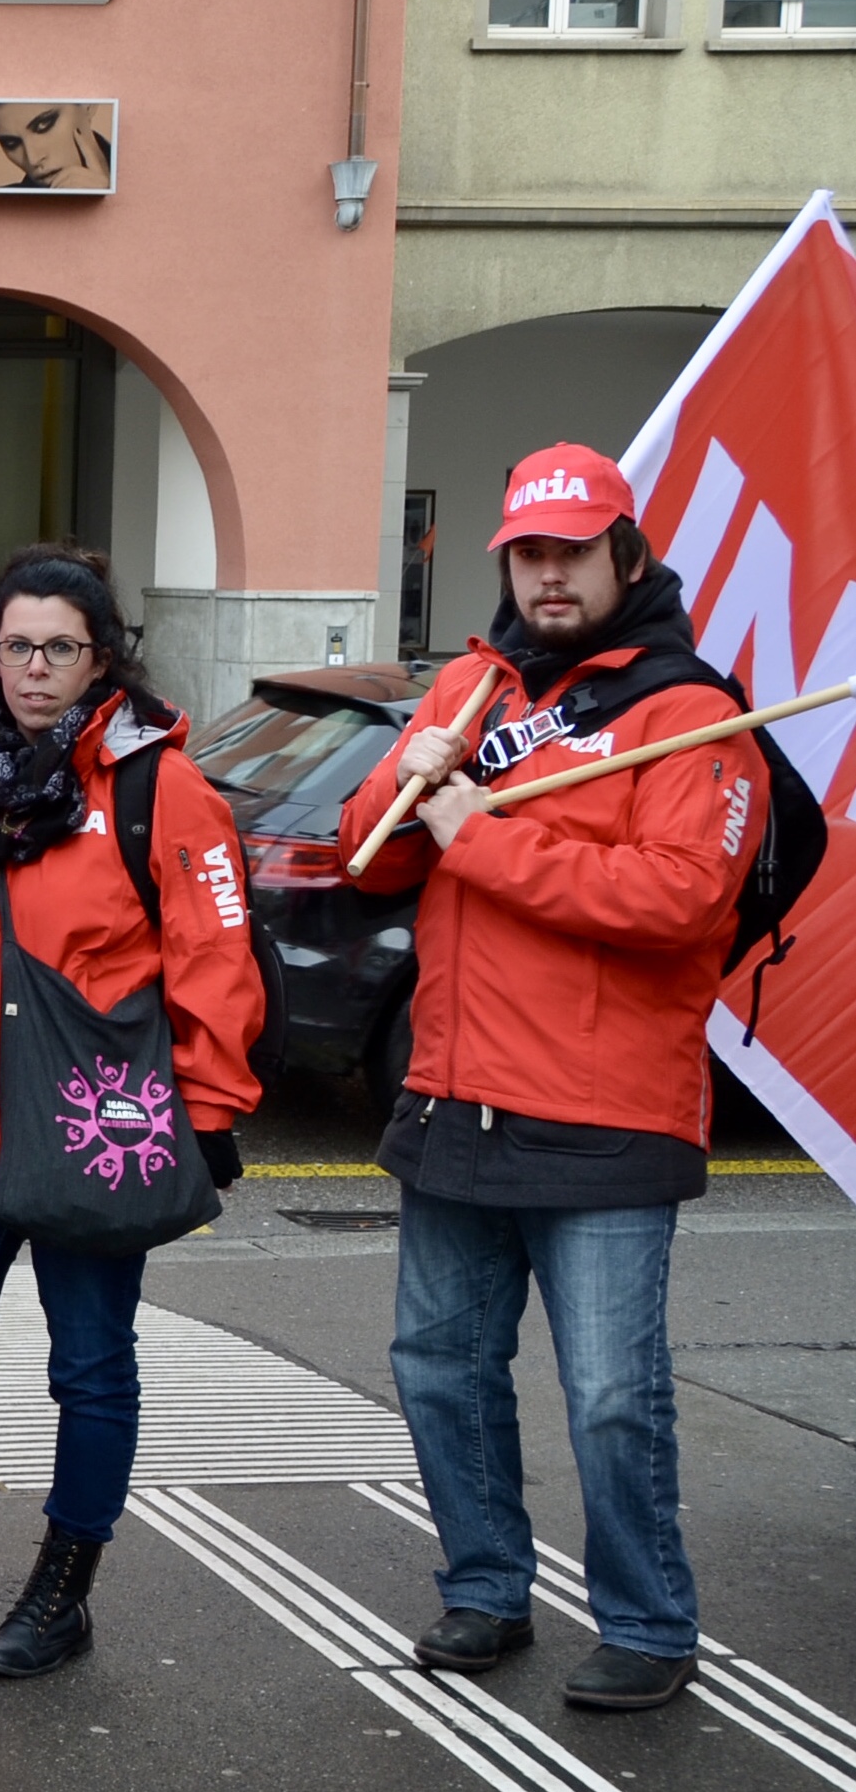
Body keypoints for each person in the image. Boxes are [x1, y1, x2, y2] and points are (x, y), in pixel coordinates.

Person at [342, 444, 762, 1714]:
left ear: (624, 555)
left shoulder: (689, 711)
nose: (548, 574)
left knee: (609, 1398)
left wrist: (482, 834)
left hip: (604, 1115)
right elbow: (366, 857)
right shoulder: (473, 682)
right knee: (438, 1367)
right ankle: (485, 1588)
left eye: (572, 551)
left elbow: (682, 901)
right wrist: (412, 776)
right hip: (453, 1096)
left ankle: (646, 1619)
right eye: (528, 552)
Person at [0, 547, 265, 1678]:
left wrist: (212, 1109)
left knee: (88, 1366)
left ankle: (62, 1588)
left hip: (94, 1125)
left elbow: (216, 959)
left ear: (103, 653)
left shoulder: (155, 784)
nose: (36, 669)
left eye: (62, 648)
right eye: (17, 645)